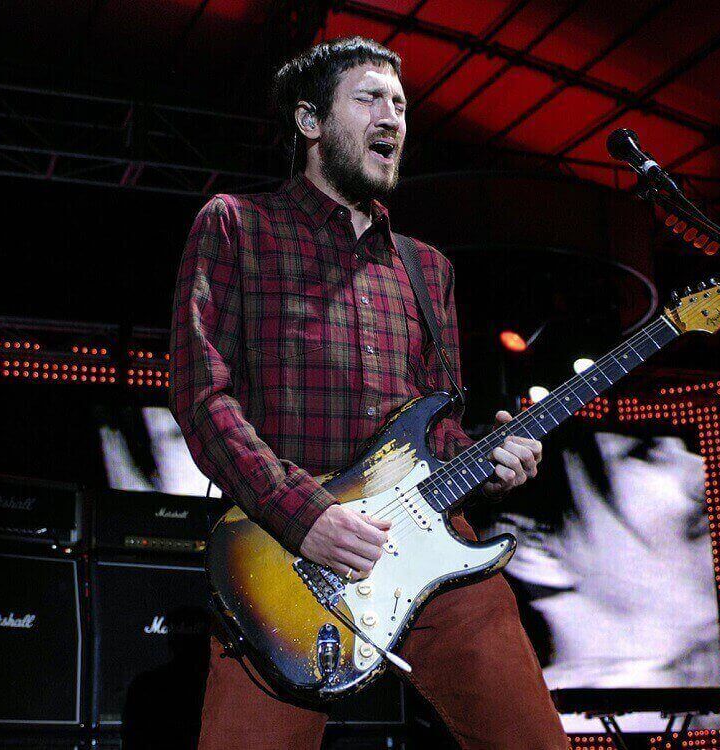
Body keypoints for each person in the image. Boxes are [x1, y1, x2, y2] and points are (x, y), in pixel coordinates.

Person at [169, 36, 568, 749]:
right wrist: (306, 516)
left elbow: (435, 427)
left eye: (400, 104)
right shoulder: (236, 225)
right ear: (310, 122)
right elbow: (203, 397)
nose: (392, 115)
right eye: (369, 98)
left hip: (433, 550)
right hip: (284, 559)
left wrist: (491, 458)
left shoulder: (427, 268)